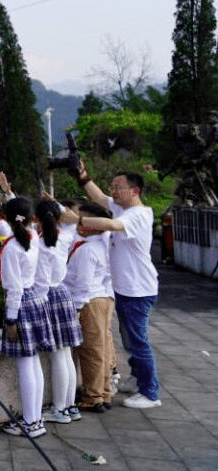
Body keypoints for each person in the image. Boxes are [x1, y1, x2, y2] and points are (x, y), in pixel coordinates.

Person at [71, 163, 162, 409]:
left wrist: (77, 218)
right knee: (129, 339)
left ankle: (151, 392)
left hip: (137, 289)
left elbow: (110, 226)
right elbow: (99, 198)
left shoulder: (138, 215)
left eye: (118, 187)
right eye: (113, 186)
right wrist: (83, 176)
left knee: (138, 340)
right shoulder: (123, 210)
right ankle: (138, 377)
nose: (113, 191)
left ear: (135, 191)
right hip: (124, 288)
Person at [0, 197, 54, 439]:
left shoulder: (12, 247)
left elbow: (14, 288)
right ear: (31, 218)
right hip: (35, 300)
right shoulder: (32, 238)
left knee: (25, 366)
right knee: (34, 364)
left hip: (20, 305)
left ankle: (30, 421)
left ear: (6, 218)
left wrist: (10, 320)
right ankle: (35, 419)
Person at [62, 203, 116, 413]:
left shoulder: (87, 249)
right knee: (100, 347)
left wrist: (76, 310)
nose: (78, 222)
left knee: (91, 350)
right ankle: (103, 392)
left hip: (90, 301)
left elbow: (83, 284)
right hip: (102, 298)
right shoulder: (100, 244)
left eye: (83, 218)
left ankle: (93, 397)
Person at [34, 200, 83, 425]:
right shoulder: (64, 237)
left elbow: (42, 283)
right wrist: (58, 206)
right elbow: (74, 218)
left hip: (49, 297)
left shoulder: (41, 245)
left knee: (58, 356)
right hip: (63, 293)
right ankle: (69, 406)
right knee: (66, 355)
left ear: (37, 219)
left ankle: (59, 409)